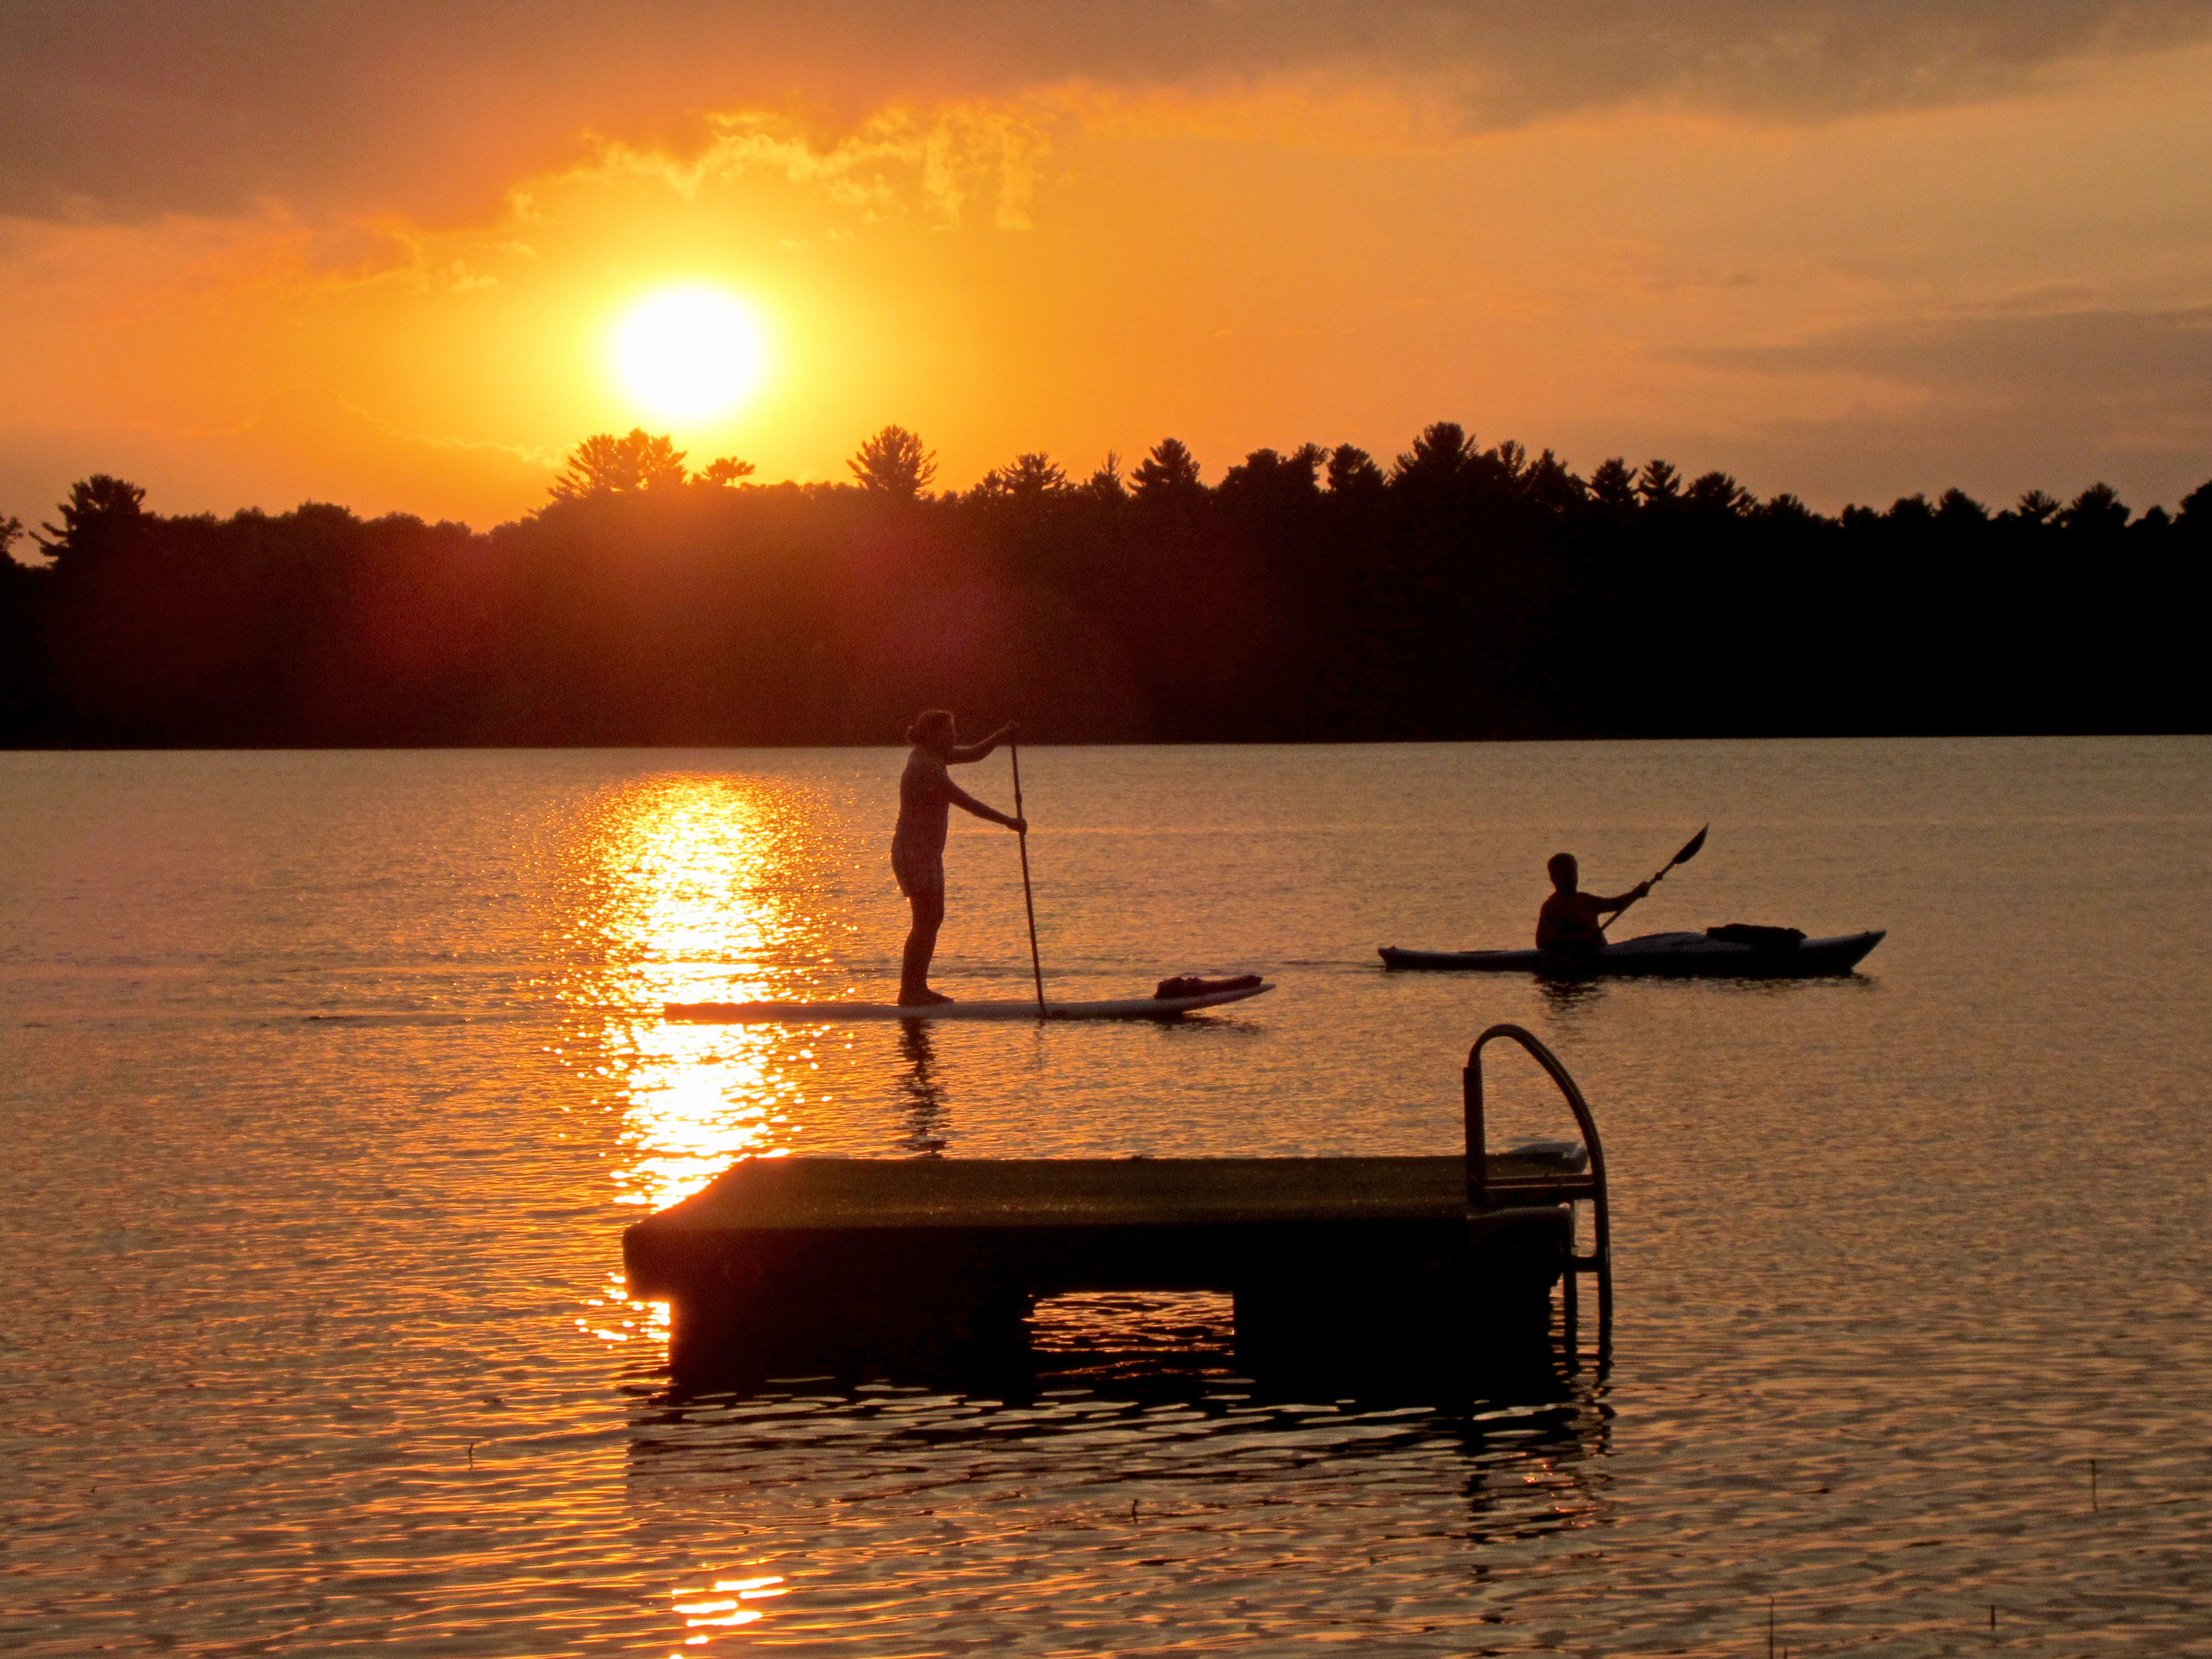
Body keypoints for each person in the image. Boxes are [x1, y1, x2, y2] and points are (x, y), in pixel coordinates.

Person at [892, 710, 1025, 1005]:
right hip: (913, 852)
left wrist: (1002, 734)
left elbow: (976, 754)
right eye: (948, 731)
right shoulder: (925, 766)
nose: (954, 736)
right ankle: (909, 991)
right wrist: (1009, 822)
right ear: (932, 735)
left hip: (927, 852)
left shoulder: (935, 756)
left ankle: (917, 987)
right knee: (924, 920)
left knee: (933, 918)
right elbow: (967, 802)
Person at [1535, 852, 1648, 962]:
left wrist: (1636, 893)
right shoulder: (1551, 907)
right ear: (1553, 877)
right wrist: (1580, 938)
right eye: (1566, 873)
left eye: (1573, 872)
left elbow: (1614, 904)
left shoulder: (1586, 900)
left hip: (1602, 955)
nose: (1572, 877)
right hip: (1576, 963)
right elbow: (1543, 941)